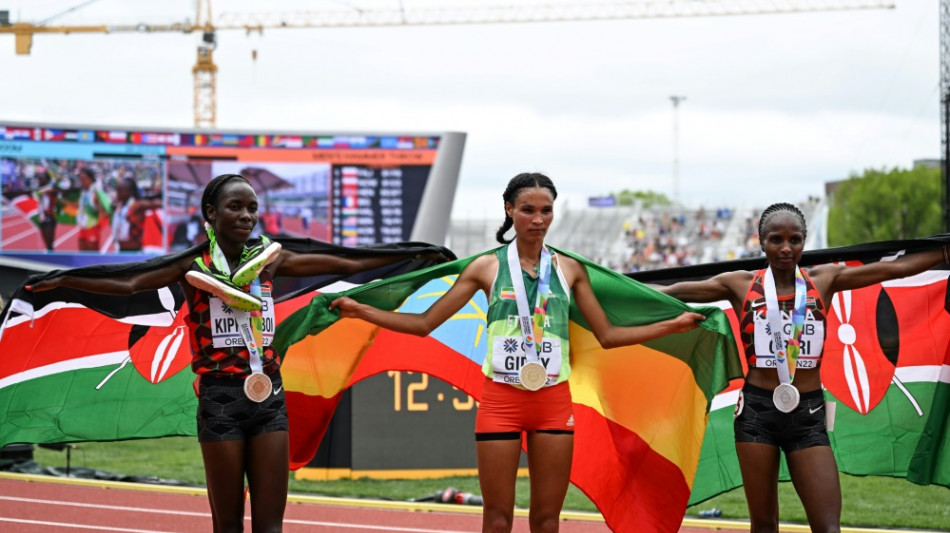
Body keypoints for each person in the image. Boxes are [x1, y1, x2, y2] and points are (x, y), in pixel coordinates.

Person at [27, 173, 447, 533]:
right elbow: (129, 283)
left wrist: (412, 253)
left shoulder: (269, 260)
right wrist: (65, 281)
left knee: (271, 525)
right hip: (220, 400)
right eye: (235, 207)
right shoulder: (191, 265)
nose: (246, 216)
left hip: (269, 398)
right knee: (227, 524)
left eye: (252, 208)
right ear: (211, 213)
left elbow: (343, 263)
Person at [329, 172, 705, 533]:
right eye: (528, 209)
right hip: (500, 404)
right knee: (496, 521)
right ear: (509, 209)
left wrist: (672, 326)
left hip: (553, 402)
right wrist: (362, 310)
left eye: (546, 210)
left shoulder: (570, 269)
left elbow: (607, 334)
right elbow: (426, 323)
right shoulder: (485, 267)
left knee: (546, 521)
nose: (538, 219)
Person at [654, 202, 947, 533]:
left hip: (808, 416)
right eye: (776, 240)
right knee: (764, 526)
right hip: (756, 415)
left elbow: (895, 269)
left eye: (794, 240)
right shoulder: (740, 284)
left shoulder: (824, 280)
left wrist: (944, 255)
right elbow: (670, 291)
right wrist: (602, 288)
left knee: (827, 527)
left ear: (804, 241)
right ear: (761, 241)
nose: (785, 249)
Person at [110, 177, 161, 252]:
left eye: (120, 191)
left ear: (130, 192)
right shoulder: (120, 206)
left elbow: (156, 203)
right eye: (117, 190)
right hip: (121, 249)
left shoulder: (137, 205)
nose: (118, 194)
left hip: (134, 251)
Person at [76, 167, 111, 252]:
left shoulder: (95, 193)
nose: (81, 181)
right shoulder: (83, 193)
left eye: (83, 179)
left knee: (92, 259)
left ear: (90, 179)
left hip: (92, 228)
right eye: (80, 179)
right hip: (82, 228)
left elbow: (104, 212)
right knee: (82, 257)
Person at [33, 168, 59, 251]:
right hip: (42, 219)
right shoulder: (39, 191)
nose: (39, 179)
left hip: (50, 219)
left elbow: (56, 186)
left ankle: (52, 261)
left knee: (49, 245)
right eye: (39, 178)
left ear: (47, 180)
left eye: (42, 177)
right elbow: (36, 196)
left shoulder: (51, 190)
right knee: (47, 245)